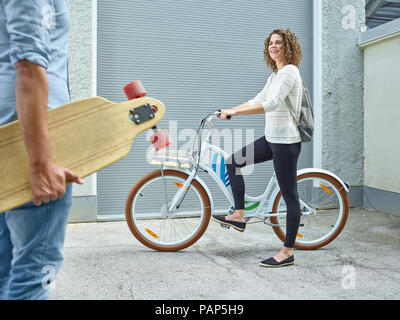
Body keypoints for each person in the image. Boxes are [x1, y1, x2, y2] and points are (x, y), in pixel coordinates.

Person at [0, 0, 84, 299]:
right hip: (30, 144)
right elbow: (28, 64)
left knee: (5, 268)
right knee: (34, 277)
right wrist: (41, 164)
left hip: (8, 141)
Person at [212, 29, 303, 268]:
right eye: (271, 43)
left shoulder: (289, 72)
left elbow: (271, 104)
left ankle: (287, 252)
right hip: (271, 138)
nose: (274, 46)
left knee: (290, 196)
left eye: (279, 43)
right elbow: (257, 99)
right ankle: (239, 215)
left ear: (288, 47)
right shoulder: (275, 75)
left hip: (286, 143)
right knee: (233, 161)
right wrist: (229, 109)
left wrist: (236, 112)